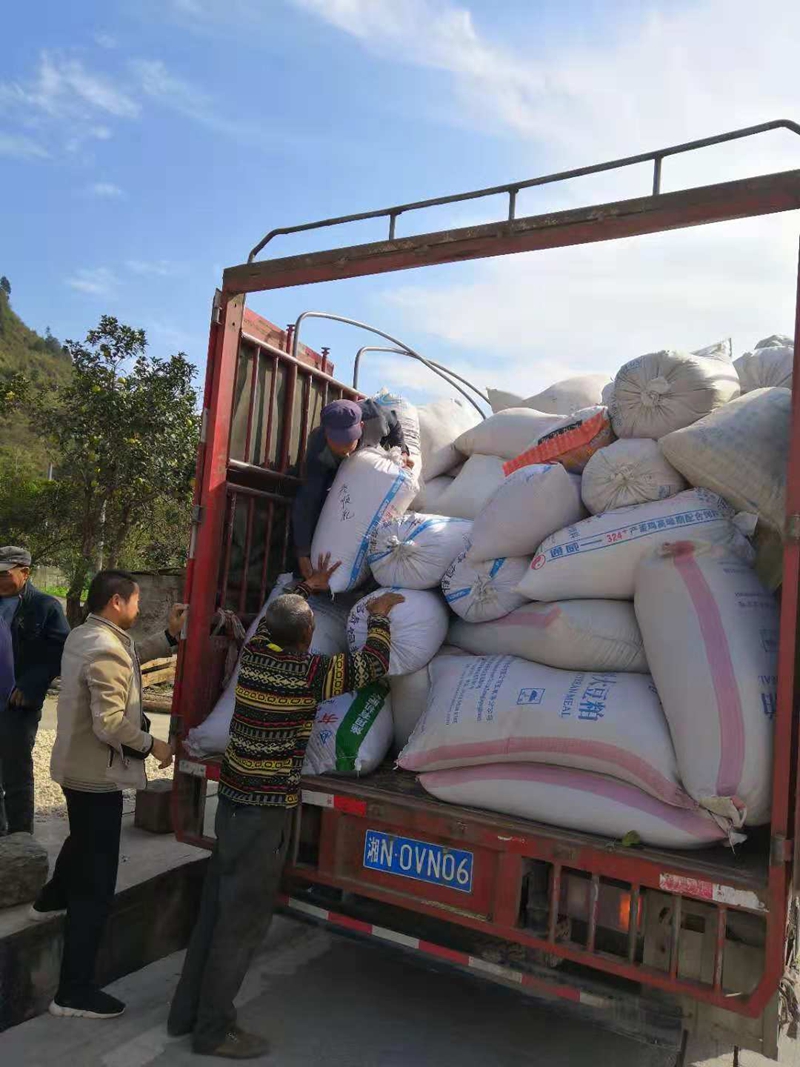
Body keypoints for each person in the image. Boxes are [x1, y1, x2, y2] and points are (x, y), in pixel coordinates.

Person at [168, 554, 404, 1059]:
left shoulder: (256, 656)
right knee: (242, 920)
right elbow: (372, 666)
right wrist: (380, 615)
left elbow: (279, 613)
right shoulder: (307, 672)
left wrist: (307, 587)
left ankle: (185, 1014)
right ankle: (213, 1029)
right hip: (263, 813)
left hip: (231, 803)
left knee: (214, 911)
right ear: (307, 637)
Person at [34, 569, 186, 1020]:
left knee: (81, 836)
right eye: (136, 601)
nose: (139, 609)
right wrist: (154, 744)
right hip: (95, 776)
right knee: (97, 887)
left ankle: (50, 897)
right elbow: (111, 724)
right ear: (118, 602)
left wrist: (171, 637)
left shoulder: (86, 634)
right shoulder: (106, 649)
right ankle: (73, 991)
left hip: (73, 767)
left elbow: (132, 655)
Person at [292, 398, 414, 579]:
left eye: (350, 444)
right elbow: (307, 500)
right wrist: (302, 552)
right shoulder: (319, 449)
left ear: (362, 426)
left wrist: (402, 451)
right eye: (340, 449)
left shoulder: (375, 418)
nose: (347, 454)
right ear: (326, 434)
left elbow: (394, 425)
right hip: (332, 474)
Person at [0, 545, 69, 836]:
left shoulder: (45, 607)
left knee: (16, 774)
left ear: (24, 573)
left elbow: (59, 652)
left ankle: (20, 839)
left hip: (18, 705)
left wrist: (31, 683)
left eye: (3, 574)